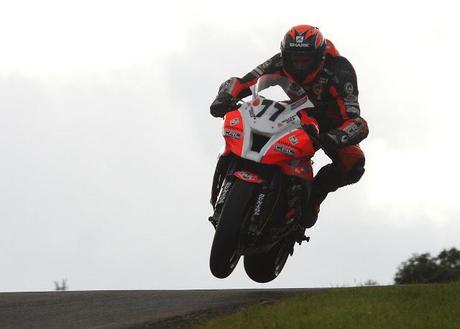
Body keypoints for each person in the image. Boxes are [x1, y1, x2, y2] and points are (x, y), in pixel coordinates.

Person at [210, 25, 369, 229]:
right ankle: (241, 169)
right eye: (295, 59)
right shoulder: (279, 61)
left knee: (354, 163)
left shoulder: (340, 70)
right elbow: (243, 81)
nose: (300, 65)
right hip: (297, 112)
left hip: (332, 124)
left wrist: (335, 137)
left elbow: (356, 120)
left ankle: (313, 199)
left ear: (320, 57)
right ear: (286, 55)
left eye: (306, 59)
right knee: (250, 117)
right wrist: (225, 96)